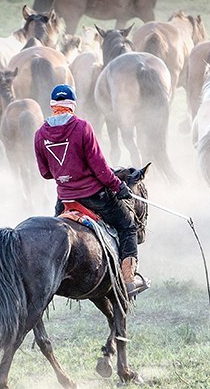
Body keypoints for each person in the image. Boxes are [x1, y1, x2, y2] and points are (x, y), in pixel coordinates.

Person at [34, 84, 149, 297]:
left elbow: (45, 173)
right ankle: (129, 280)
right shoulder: (82, 127)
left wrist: (64, 171)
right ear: (72, 105)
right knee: (128, 226)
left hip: (65, 199)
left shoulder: (40, 134)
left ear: (52, 106)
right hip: (94, 196)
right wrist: (119, 186)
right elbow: (100, 168)